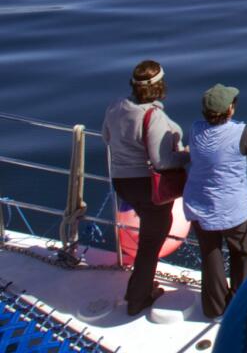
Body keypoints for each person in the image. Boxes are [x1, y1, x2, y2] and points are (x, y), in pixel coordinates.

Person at [101, 59, 190, 315]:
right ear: (160, 85)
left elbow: (106, 137)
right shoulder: (153, 116)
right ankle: (138, 296)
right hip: (148, 189)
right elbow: (163, 161)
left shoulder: (115, 106)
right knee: (151, 243)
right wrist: (188, 155)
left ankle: (141, 287)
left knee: (148, 242)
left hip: (121, 182)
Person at [182, 84, 247, 319]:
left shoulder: (195, 129)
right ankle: (240, 306)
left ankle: (214, 308)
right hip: (232, 209)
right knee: (242, 254)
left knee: (211, 255)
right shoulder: (242, 132)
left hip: (199, 206)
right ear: (230, 109)